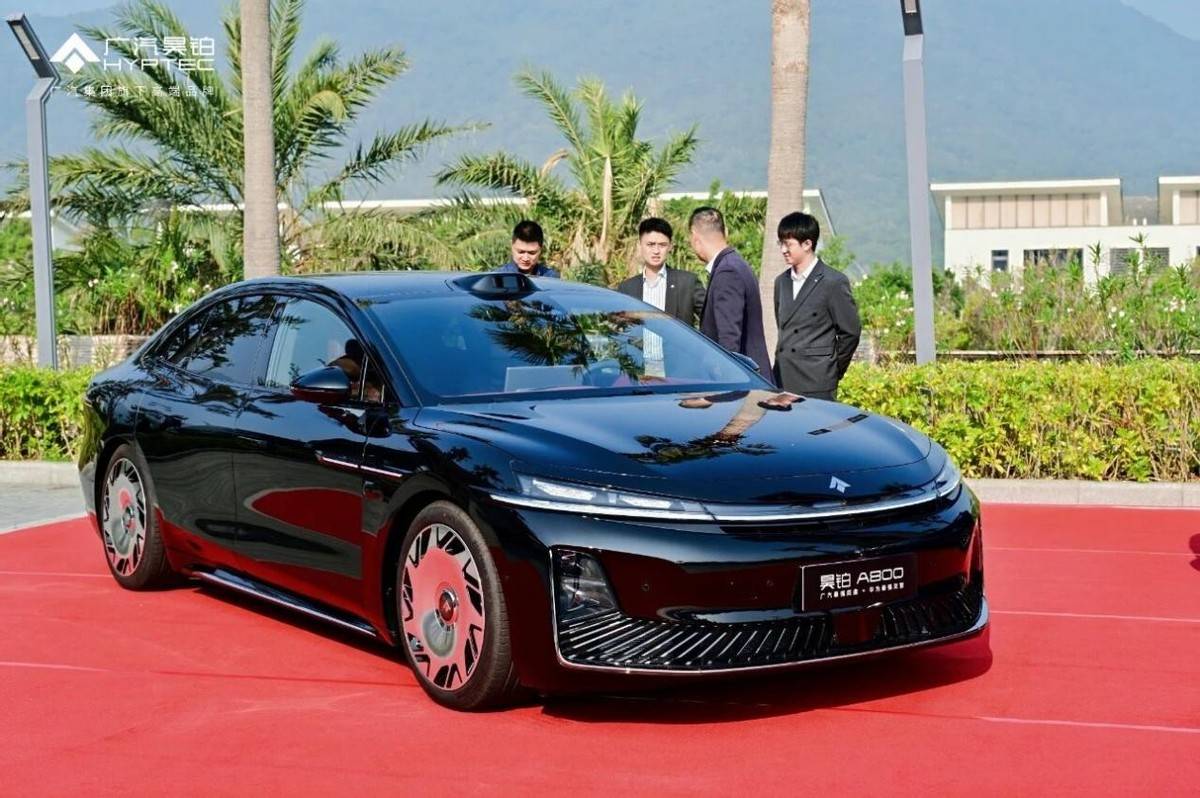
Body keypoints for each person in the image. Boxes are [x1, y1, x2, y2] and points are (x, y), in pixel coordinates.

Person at [771, 211, 861, 400]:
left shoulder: (833, 281)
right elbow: (784, 327)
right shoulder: (781, 282)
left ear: (807, 244)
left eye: (788, 244)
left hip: (817, 381)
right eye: (781, 243)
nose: (783, 250)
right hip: (782, 379)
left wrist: (831, 370)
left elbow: (850, 332)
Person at [688, 206, 773, 383]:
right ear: (725, 231)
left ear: (695, 238)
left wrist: (725, 384)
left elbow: (729, 340)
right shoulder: (735, 263)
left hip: (742, 384)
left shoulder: (727, 272)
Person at [617, 218, 706, 326]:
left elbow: (711, 317)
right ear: (640, 245)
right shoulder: (627, 288)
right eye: (650, 244)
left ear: (670, 246)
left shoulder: (687, 283)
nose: (656, 251)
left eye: (662, 245)